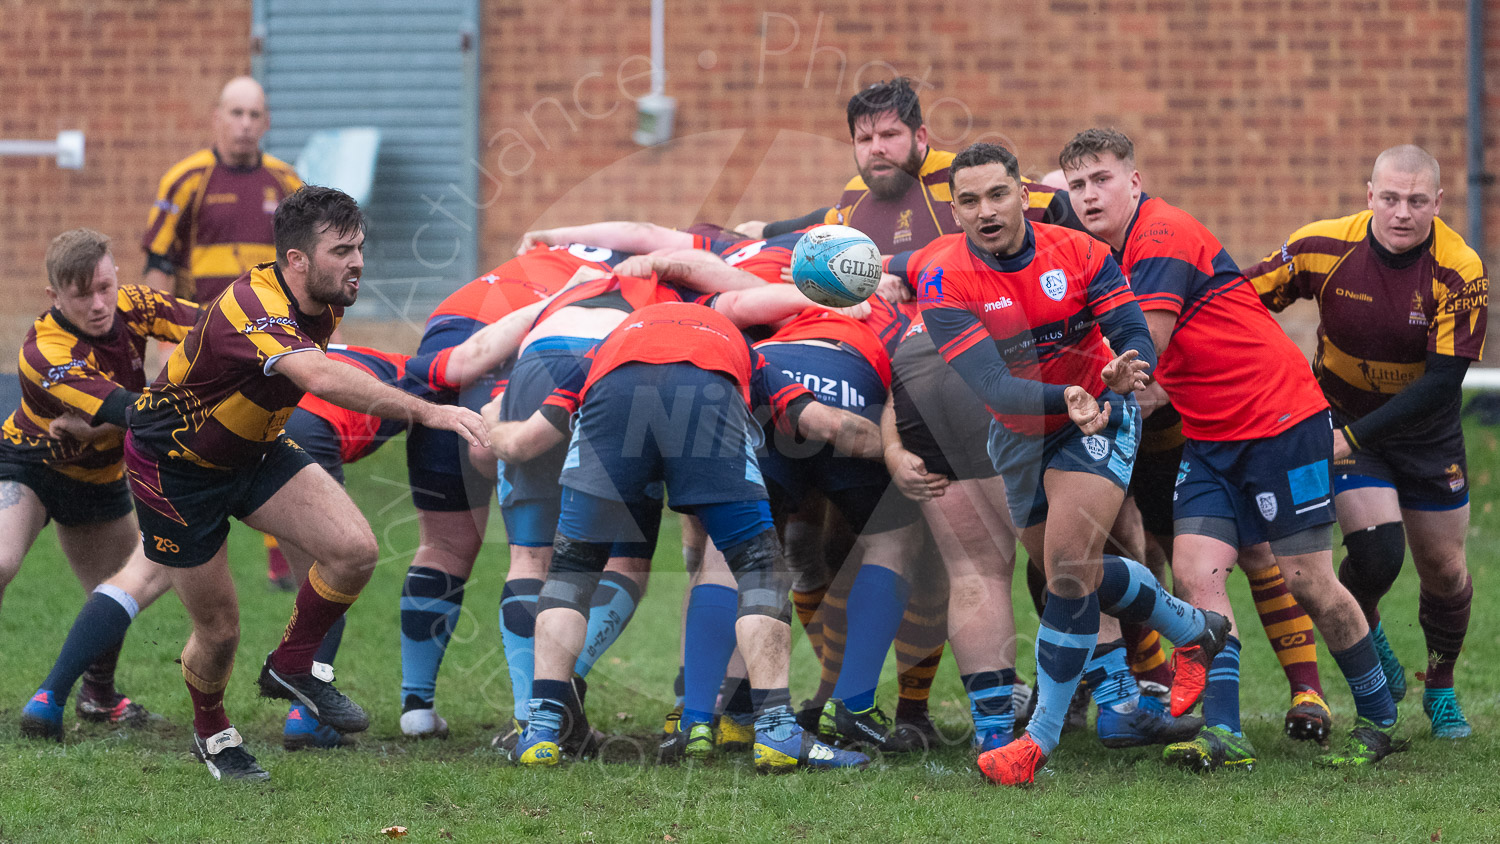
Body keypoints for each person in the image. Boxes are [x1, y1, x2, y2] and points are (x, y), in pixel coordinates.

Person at [1058, 127, 1404, 770]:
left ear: (1134, 181)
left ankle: (1380, 715)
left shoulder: (1162, 235)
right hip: (1212, 435)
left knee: (1309, 581)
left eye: (1100, 178)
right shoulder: (1103, 255)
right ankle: (1224, 731)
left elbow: (1143, 359)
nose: (1087, 194)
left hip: (1281, 420)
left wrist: (1081, 406)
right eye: (1076, 185)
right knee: (1195, 573)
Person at [123, 186, 488, 782]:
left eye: (360, 247)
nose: (358, 262)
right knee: (219, 631)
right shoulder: (251, 303)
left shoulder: (325, 297)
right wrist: (426, 410)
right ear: (296, 259)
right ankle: (212, 732)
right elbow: (318, 375)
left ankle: (292, 663)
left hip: (255, 449)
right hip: (176, 468)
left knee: (354, 551)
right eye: (342, 249)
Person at [910, 142, 1230, 786]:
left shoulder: (1081, 252)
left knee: (1066, 573)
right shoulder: (941, 276)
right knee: (1077, 570)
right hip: (1022, 431)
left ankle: (1035, 743)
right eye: (968, 201)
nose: (986, 211)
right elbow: (995, 387)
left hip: (1101, 419)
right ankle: (1194, 629)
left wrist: (1124, 368)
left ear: (1022, 194)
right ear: (955, 211)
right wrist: (1069, 395)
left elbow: (1133, 330)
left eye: (997, 195)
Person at [491, 301, 885, 772]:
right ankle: (777, 732)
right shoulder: (744, 348)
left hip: (613, 394)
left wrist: (491, 420)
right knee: (761, 572)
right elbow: (825, 424)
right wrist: (897, 449)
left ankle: (540, 732)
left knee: (570, 575)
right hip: (706, 392)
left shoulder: (608, 345)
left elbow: (520, 444)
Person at [1246, 144, 1487, 740]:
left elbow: (1441, 384)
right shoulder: (1321, 246)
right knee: (1377, 555)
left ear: (1437, 202)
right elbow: (1237, 305)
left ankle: (1441, 686)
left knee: (1445, 569)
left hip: (1425, 434)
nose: (1401, 212)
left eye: (1415, 201)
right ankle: (1369, 634)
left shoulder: (1460, 268)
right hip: (1344, 419)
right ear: (1368, 196)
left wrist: (1347, 436)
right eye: (1389, 198)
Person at [4, 229, 198, 739]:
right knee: (0, 562)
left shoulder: (136, 305)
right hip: (30, 464)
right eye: (81, 295)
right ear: (54, 298)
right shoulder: (44, 351)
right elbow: (131, 411)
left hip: (98, 479)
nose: (98, 305)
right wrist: (158, 407)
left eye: (105, 287)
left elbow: (213, 331)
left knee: (119, 589)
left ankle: (98, 696)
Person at [140, 75, 304, 589]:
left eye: (254, 115)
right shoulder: (186, 178)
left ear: (266, 122)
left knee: (271, 432)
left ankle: (280, 557)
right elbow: (158, 264)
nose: (244, 125)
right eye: (235, 113)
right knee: (195, 443)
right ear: (217, 118)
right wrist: (154, 343)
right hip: (202, 340)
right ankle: (182, 546)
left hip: (270, 337)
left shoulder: (286, 182)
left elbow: (306, 262)